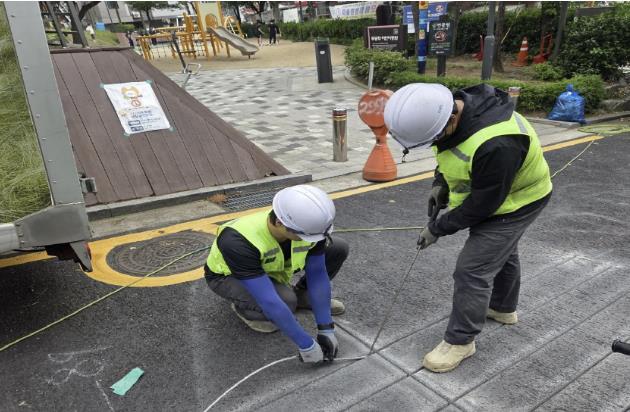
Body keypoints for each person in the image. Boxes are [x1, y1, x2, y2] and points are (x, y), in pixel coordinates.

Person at [384, 83, 552, 373]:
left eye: (434, 136)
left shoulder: (498, 143)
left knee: (472, 269)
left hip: (518, 202)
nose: (434, 142)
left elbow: (482, 206)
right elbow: (449, 151)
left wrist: (438, 228)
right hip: (495, 193)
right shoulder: (450, 111)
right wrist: (440, 184)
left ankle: (461, 341)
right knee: (500, 252)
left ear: (450, 118)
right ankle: (502, 308)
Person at [204, 185, 349, 364]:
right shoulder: (237, 240)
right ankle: (245, 307)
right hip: (228, 277)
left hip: (273, 269)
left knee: (338, 248)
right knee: (285, 303)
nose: (311, 240)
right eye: (306, 236)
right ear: (280, 223)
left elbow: (318, 274)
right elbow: (269, 300)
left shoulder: (308, 227)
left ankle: (303, 296)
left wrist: (326, 328)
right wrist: (306, 345)